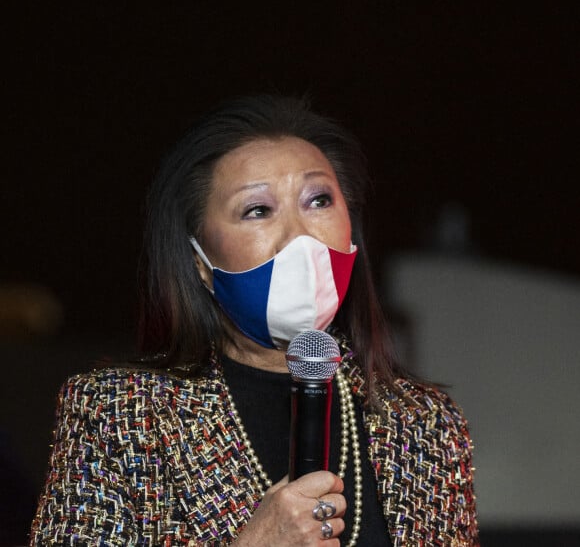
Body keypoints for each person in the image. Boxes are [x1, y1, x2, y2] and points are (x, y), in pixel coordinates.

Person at [30, 95, 478, 546]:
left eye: (319, 200)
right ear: (200, 262)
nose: (299, 236)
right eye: (258, 210)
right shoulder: (124, 415)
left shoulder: (423, 423)